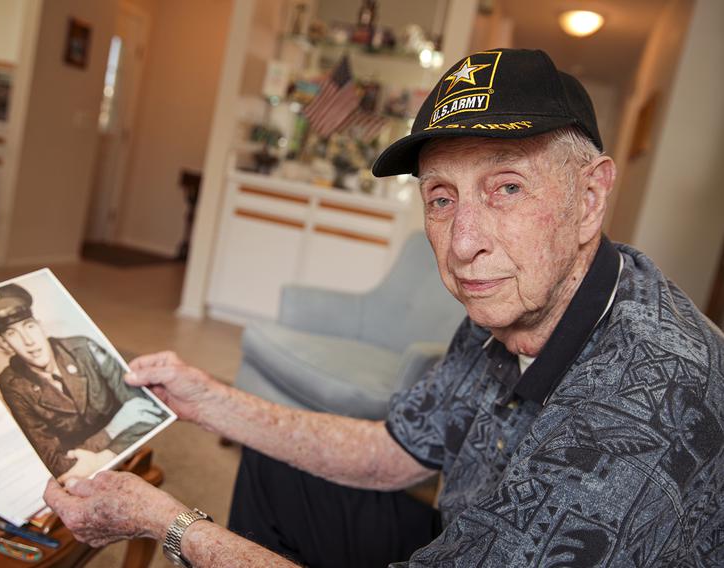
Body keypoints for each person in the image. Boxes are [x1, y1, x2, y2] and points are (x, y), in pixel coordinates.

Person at [44, 48, 724, 567]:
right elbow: (398, 451)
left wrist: (166, 523)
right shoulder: (516, 298)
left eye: (507, 187)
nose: (463, 244)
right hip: (469, 531)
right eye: (441, 197)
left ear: (591, 197)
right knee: (276, 467)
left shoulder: (642, 405)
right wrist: (210, 400)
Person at [0, 283, 168, 479]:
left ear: (41, 327)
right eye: (12, 334)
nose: (28, 341)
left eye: (29, 326)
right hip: (87, 466)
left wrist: (104, 457)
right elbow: (55, 463)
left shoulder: (84, 348)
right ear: (4, 344)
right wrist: (113, 429)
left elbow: (148, 411)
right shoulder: (13, 384)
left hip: (101, 461)